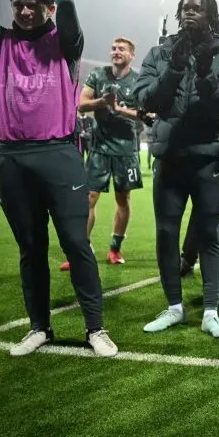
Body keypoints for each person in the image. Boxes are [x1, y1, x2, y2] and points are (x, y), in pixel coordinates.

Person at [0, 0, 117, 357]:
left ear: (45, 9)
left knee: (75, 243)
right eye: (18, 5)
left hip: (57, 154)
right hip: (10, 158)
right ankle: (39, 328)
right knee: (31, 248)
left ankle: (95, 328)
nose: (24, 11)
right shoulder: (0, 42)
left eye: (31, 4)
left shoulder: (66, 43)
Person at [133, 0, 219, 339]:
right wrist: (176, 68)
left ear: (211, 15)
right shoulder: (160, 53)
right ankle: (173, 308)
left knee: (209, 233)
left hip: (207, 155)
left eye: (197, 9)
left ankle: (210, 312)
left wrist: (206, 74)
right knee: (166, 233)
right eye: (185, 9)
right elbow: (145, 99)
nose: (189, 13)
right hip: (169, 156)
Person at [75, 37, 144, 267]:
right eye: (113, 48)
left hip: (126, 150)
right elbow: (81, 104)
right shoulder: (98, 75)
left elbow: (146, 115)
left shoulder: (139, 80)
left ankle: (115, 249)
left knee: (122, 199)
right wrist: (100, 103)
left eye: (121, 49)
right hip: (99, 148)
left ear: (131, 55)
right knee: (89, 198)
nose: (116, 52)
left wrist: (117, 109)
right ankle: (82, 249)